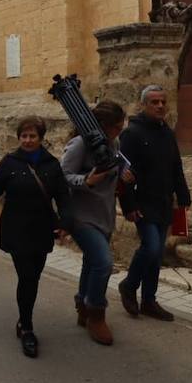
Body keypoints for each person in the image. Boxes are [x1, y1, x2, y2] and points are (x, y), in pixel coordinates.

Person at [0, 115, 71, 358]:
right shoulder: (10, 163)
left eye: (32, 136)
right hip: (16, 229)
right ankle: (27, 327)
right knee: (28, 277)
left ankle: (24, 320)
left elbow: (62, 196)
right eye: (24, 136)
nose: (28, 140)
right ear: (19, 138)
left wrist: (65, 223)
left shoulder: (52, 165)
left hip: (42, 229)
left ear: (41, 138)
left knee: (34, 277)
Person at [60, 101, 134, 346]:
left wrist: (125, 176)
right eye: (116, 127)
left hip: (104, 215)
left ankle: (83, 303)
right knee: (103, 263)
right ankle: (96, 312)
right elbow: (62, 177)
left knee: (91, 262)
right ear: (103, 125)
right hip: (81, 216)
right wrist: (86, 180)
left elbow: (116, 174)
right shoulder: (80, 144)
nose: (119, 132)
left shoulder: (114, 144)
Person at [118, 85, 192, 321]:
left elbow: (175, 167)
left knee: (157, 252)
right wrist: (128, 206)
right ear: (143, 105)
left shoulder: (167, 133)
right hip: (142, 203)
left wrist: (183, 196)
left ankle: (149, 300)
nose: (160, 106)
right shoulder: (131, 134)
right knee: (150, 247)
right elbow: (124, 174)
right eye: (154, 102)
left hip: (163, 202)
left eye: (162, 102)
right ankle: (129, 285)